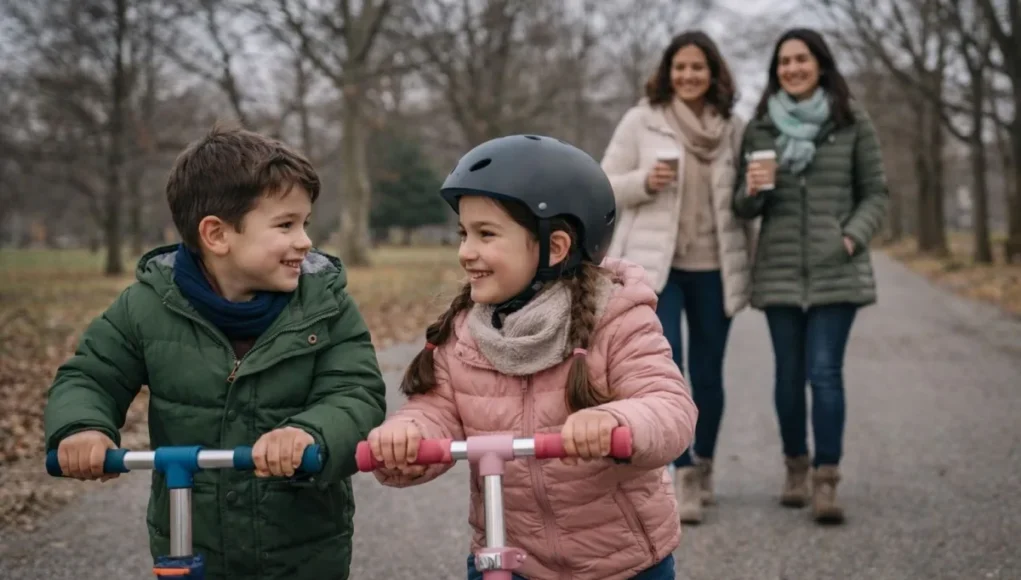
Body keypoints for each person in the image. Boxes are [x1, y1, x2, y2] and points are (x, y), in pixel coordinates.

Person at [43, 125, 387, 579]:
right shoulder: (147, 307)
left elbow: (355, 392)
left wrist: (310, 433)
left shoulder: (326, 307)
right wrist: (82, 427)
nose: (305, 240)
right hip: (191, 534)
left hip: (300, 546)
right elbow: (91, 375)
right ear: (217, 235)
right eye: (286, 225)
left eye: (305, 223)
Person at [365, 135, 697, 580]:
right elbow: (437, 408)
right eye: (464, 233)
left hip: (622, 561)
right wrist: (408, 435)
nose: (466, 251)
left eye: (486, 234)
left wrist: (616, 421)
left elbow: (669, 407)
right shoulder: (466, 332)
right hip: (512, 553)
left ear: (555, 247)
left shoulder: (616, 319)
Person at [599, 30, 756, 524]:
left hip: (715, 266)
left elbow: (747, 198)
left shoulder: (732, 127)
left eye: (697, 67)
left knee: (709, 374)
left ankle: (704, 463)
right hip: (656, 271)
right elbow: (603, 182)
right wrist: (644, 182)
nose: (688, 75)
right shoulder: (642, 120)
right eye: (680, 67)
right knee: (667, 372)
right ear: (668, 72)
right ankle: (681, 470)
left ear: (713, 73)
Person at [733, 28, 889, 524]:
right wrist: (753, 190)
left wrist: (851, 237)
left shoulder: (850, 120)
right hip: (779, 269)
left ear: (820, 64)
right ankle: (795, 468)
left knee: (824, 373)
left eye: (801, 59)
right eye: (784, 62)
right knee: (787, 375)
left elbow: (876, 192)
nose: (792, 68)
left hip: (835, 267)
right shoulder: (760, 128)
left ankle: (826, 478)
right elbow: (743, 207)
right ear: (775, 71)